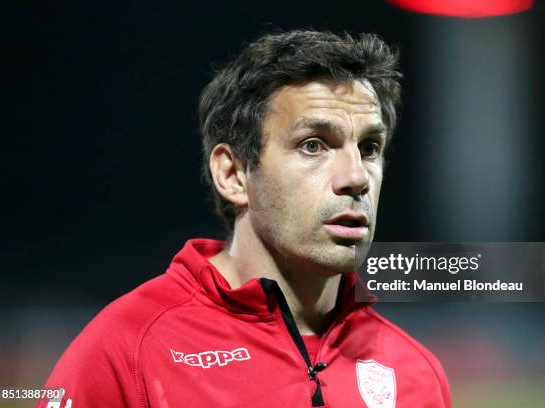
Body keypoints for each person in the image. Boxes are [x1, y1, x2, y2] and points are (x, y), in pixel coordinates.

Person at [38, 30, 451, 408]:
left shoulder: (416, 374)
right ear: (234, 175)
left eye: (369, 147)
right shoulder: (128, 353)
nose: (357, 176)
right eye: (313, 146)